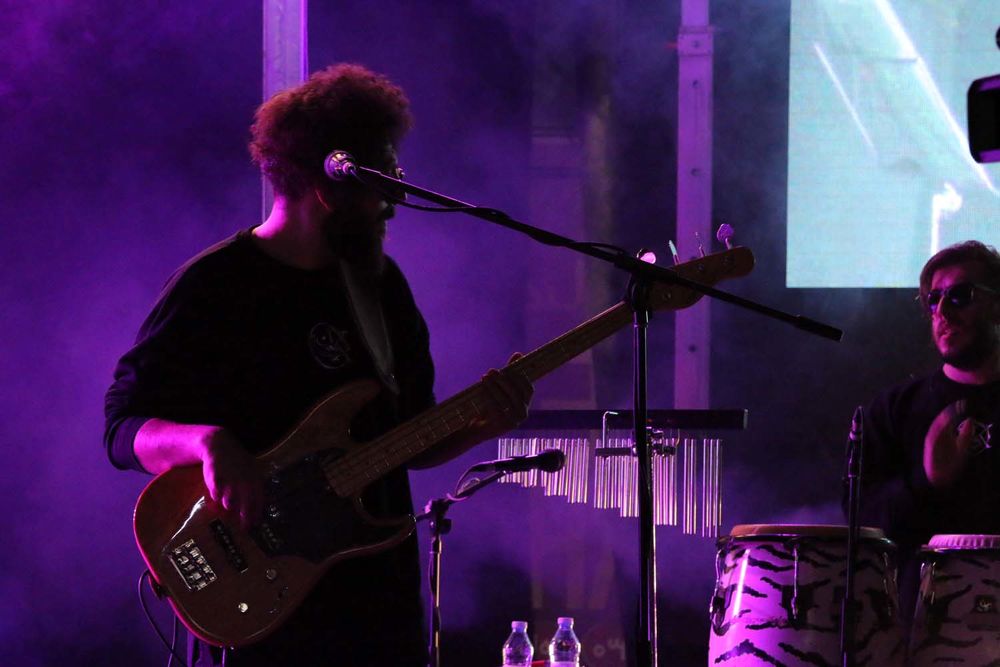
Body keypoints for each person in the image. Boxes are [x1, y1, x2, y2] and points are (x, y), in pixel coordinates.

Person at [104, 63, 533, 667]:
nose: (394, 201)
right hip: (261, 611)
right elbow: (122, 429)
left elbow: (409, 436)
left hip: (377, 608)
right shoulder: (214, 286)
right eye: (383, 178)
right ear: (333, 184)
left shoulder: (382, 290)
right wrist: (208, 443)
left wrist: (482, 426)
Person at [855, 240, 1000, 627]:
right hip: (923, 626)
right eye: (933, 300)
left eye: (960, 296)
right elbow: (862, 525)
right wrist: (926, 482)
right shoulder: (895, 410)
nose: (943, 312)